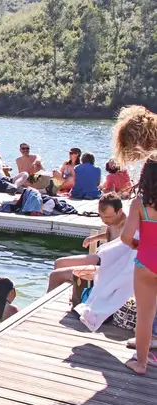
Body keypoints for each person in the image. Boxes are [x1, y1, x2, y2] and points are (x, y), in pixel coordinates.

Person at [121, 156, 157, 375]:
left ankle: (141, 363)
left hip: (145, 261)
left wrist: (137, 245)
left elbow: (126, 237)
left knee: (145, 315)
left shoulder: (139, 203)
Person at [47, 193, 126, 291]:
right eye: (102, 217)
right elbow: (110, 235)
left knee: (55, 275)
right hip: (101, 258)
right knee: (59, 263)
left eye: (108, 217)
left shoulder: (128, 226)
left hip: (111, 266)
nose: (105, 221)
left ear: (120, 212)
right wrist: (94, 238)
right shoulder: (113, 222)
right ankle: (60, 294)